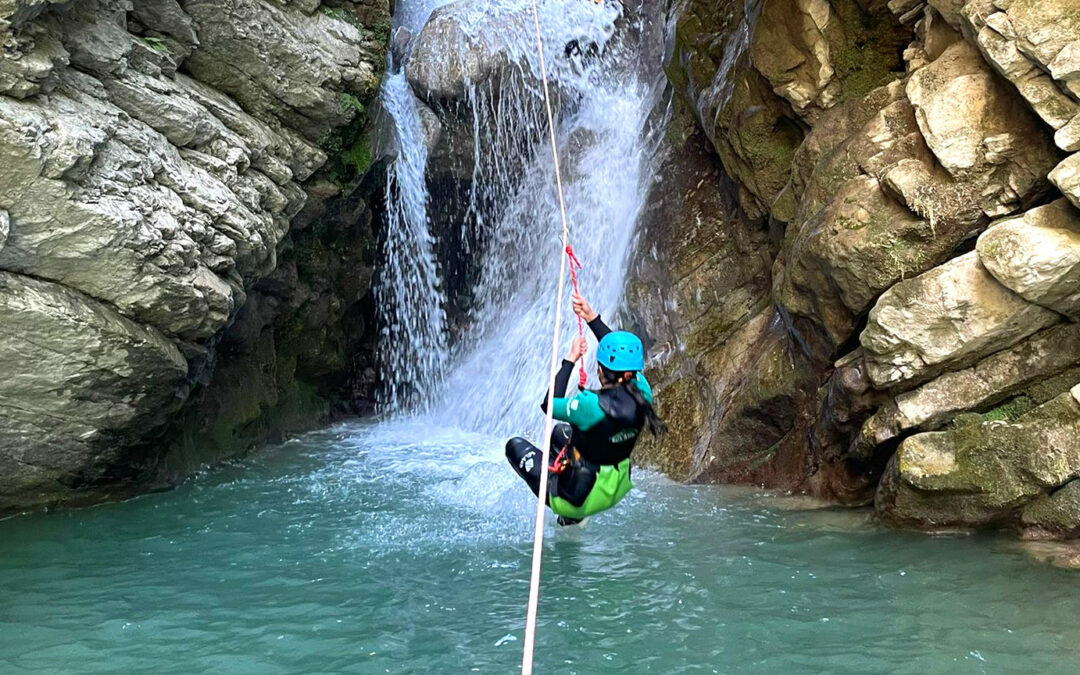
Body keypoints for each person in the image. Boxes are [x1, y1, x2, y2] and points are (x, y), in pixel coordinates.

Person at [505, 291, 666, 525]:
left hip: (585, 498)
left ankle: (571, 513)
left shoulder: (590, 405)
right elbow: (620, 354)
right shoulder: (642, 391)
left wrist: (570, 359)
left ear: (599, 370)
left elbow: (548, 405)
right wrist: (590, 317)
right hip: (617, 486)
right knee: (560, 433)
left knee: (515, 446)